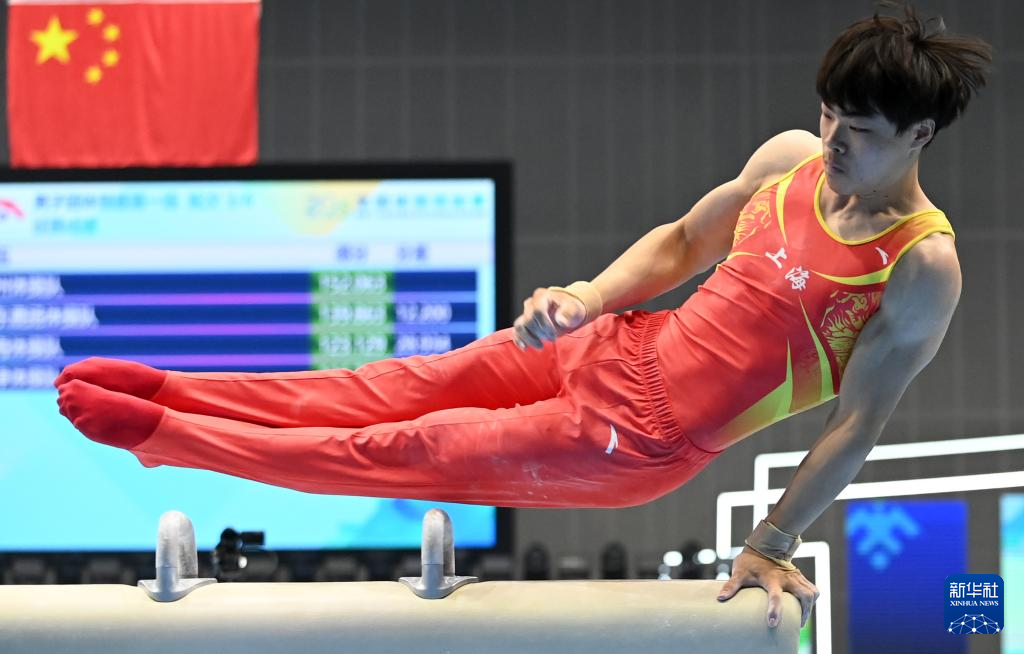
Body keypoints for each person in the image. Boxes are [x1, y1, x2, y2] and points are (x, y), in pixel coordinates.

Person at [54, 1, 991, 632]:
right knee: (386, 386)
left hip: (639, 441)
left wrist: (771, 541)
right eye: (828, 116)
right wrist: (584, 300)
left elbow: (856, 426)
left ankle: (169, 437)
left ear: (920, 134)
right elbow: (678, 245)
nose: (832, 141)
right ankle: (177, 390)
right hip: (618, 342)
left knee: (403, 448)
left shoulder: (919, 265)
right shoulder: (788, 160)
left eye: (858, 131)